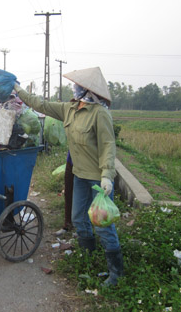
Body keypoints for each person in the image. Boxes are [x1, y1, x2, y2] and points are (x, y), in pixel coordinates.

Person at [14, 67, 123, 286]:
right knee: (78, 219)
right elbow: (41, 105)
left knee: (103, 224)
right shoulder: (70, 109)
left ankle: (116, 272)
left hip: (97, 179)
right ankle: (88, 258)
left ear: (87, 90)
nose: (75, 88)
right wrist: (19, 91)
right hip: (79, 174)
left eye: (78, 86)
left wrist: (107, 176)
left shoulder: (99, 113)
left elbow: (108, 146)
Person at [54, 151, 74, 236]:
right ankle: (67, 224)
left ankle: (83, 229)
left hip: (85, 163)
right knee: (68, 193)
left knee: (83, 197)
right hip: (71, 160)